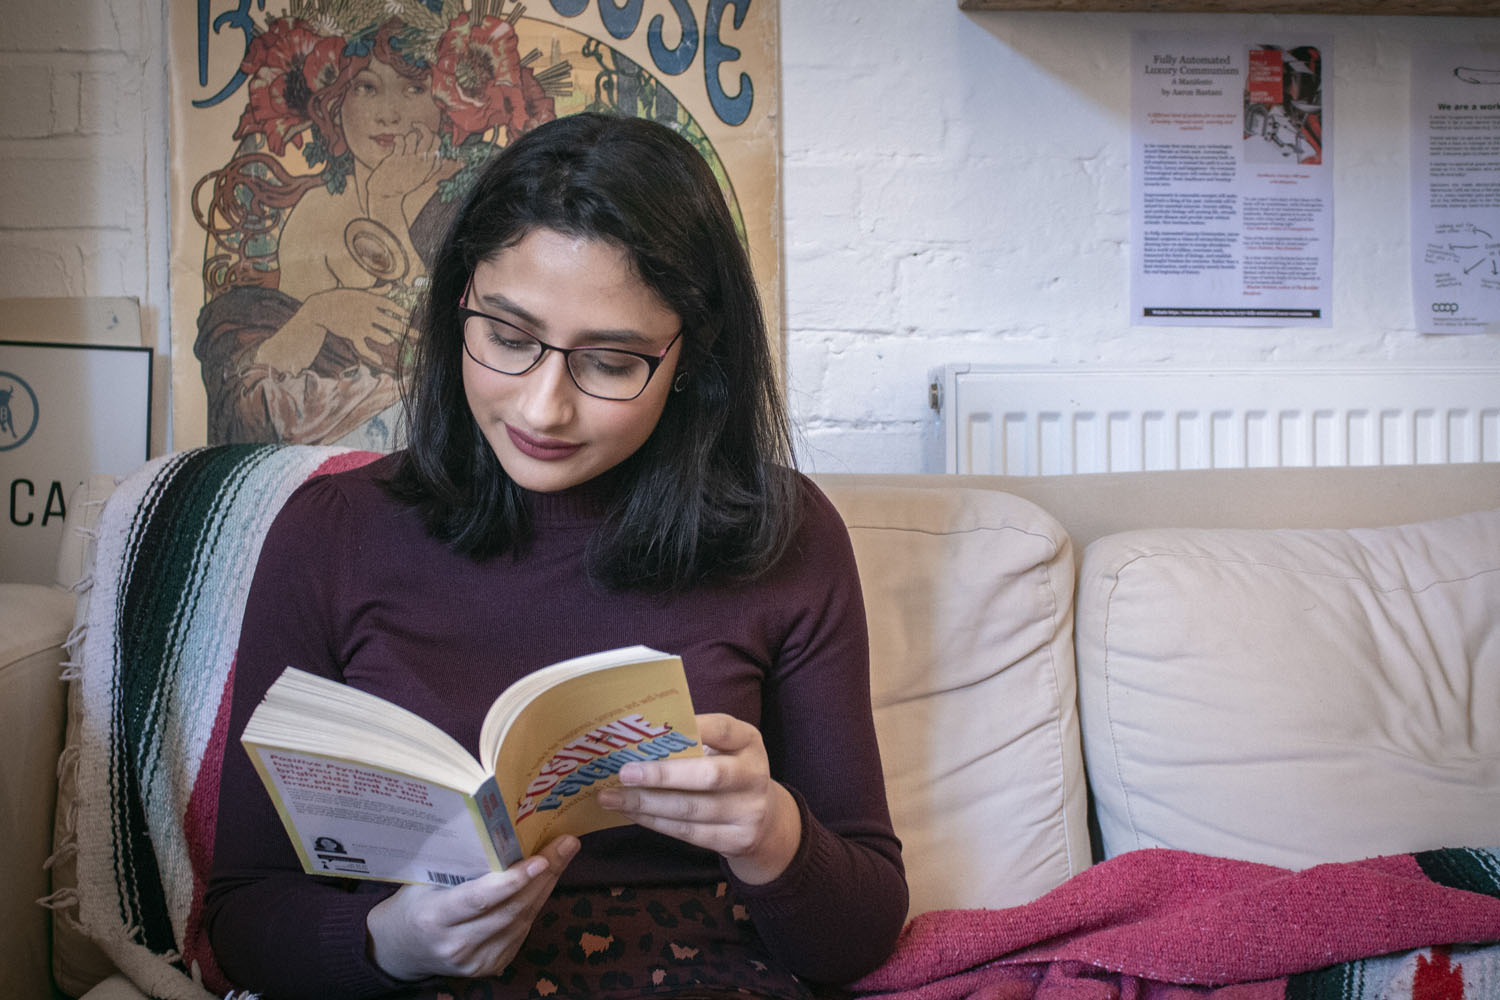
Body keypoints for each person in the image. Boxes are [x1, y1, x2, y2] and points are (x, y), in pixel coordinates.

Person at [204, 112, 908, 1000]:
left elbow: (861, 935)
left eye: (611, 362)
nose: (542, 410)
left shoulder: (785, 533)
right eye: (507, 337)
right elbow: (240, 913)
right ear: (458, 302)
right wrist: (392, 939)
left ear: (692, 359)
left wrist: (771, 831)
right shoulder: (332, 533)